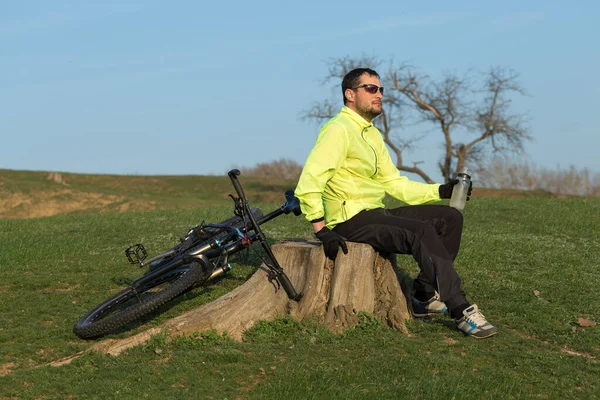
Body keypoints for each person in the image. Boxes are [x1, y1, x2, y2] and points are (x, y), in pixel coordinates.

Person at [295, 67, 497, 339]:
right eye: (371, 89)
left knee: (450, 219)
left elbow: (394, 183)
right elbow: (310, 180)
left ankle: (424, 297)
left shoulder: (371, 135)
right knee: (420, 232)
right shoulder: (337, 130)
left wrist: (441, 190)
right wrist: (321, 229)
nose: (379, 94)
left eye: (380, 90)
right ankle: (460, 309)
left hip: (375, 213)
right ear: (350, 94)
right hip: (347, 220)